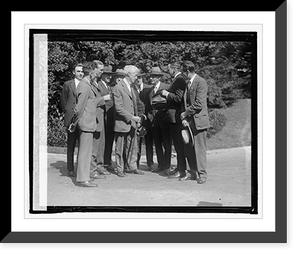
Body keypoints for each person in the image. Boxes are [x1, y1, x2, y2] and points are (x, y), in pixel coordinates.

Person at [72, 61, 106, 187]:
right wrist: (75, 121)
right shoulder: (85, 85)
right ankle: (82, 179)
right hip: (86, 122)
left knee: (85, 151)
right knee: (85, 152)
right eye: (96, 71)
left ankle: (84, 177)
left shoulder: (86, 84)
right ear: (91, 72)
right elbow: (79, 107)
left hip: (88, 122)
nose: (97, 74)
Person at [180, 61, 210, 184]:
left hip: (199, 121)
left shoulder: (201, 82)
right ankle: (193, 172)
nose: (182, 74)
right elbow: (186, 102)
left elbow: (198, 104)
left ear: (187, 71)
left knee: (200, 149)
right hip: (190, 122)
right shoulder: (188, 83)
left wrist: (185, 113)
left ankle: (202, 175)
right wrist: (186, 119)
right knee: (189, 149)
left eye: (183, 72)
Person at [112, 65, 144, 177]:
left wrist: (138, 118)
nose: (136, 77)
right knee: (119, 147)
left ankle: (132, 166)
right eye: (135, 75)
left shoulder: (132, 87)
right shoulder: (118, 88)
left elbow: (135, 104)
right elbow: (119, 108)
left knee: (132, 146)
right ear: (129, 74)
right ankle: (120, 168)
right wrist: (132, 117)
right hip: (122, 123)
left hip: (132, 123)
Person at [161, 61, 188, 179]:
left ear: (174, 69)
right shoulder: (178, 79)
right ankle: (179, 168)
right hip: (174, 117)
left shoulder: (179, 80)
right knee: (177, 145)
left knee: (178, 144)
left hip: (176, 117)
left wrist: (166, 94)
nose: (168, 71)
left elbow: (179, 98)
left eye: (169, 69)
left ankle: (181, 170)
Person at [142, 67, 171, 173]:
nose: (151, 79)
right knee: (157, 144)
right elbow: (148, 106)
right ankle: (161, 165)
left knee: (166, 144)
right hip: (154, 122)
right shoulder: (149, 90)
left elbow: (170, 103)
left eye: (154, 76)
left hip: (164, 120)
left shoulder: (167, 87)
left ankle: (167, 166)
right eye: (151, 76)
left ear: (159, 77)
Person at [89, 61, 113, 177]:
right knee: (95, 144)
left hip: (103, 117)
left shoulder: (106, 85)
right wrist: (104, 98)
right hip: (95, 117)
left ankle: (99, 165)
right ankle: (94, 167)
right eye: (101, 70)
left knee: (101, 143)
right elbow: (91, 101)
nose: (103, 73)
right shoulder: (93, 83)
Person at [60, 63, 84, 177]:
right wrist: (68, 111)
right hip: (71, 118)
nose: (80, 73)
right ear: (74, 72)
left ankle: (81, 168)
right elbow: (63, 100)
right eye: (78, 71)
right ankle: (70, 168)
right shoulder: (67, 84)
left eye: (82, 71)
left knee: (83, 145)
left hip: (82, 118)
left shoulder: (86, 84)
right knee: (71, 144)